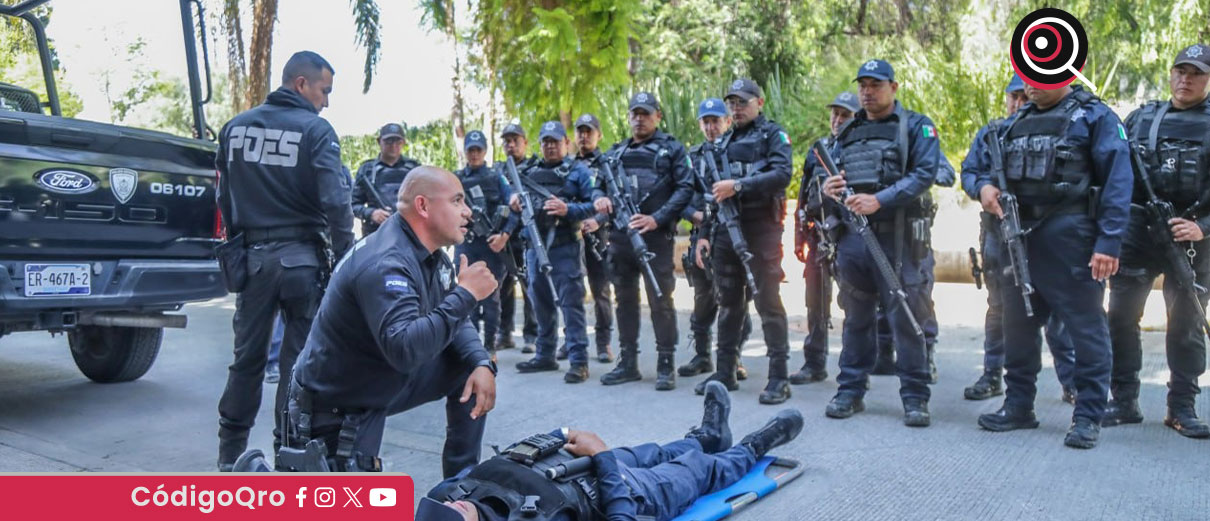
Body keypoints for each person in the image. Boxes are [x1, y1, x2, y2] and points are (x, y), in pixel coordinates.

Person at [286, 166, 498, 476]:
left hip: (377, 379)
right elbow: (405, 350)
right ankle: (261, 476)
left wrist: (480, 361)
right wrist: (465, 295)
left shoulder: (431, 255)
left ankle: (460, 487)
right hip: (338, 404)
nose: (467, 212)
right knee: (349, 499)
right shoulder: (387, 262)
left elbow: (453, 320)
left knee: (470, 368)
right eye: (457, 201)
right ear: (423, 206)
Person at [973, 75, 1133, 450]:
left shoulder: (1095, 116)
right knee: (1018, 326)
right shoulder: (1015, 121)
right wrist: (982, 187)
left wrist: (1109, 241)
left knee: (1086, 328)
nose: (1031, 86)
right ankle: (1018, 406)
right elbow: (979, 169)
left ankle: (1088, 416)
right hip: (1019, 237)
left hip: (1072, 236)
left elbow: (1118, 181)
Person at [214, 50, 355, 471]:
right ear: (301, 84)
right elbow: (336, 202)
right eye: (324, 91)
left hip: (252, 261)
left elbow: (223, 197)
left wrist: (239, 244)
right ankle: (286, 456)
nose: (326, 101)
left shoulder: (234, 128)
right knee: (296, 367)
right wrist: (345, 259)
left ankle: (229, 456)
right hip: (302, 263)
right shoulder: (316, 130)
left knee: (246, 362)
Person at [425, 382, 804, 521]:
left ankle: (707, 436)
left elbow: (499, 463)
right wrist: (602, 456)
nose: (451, 507)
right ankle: (757, 444)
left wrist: (560, 438)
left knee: (657, 451)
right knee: (698, 470)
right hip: (618, 495)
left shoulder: (443, 499)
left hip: (570, 463)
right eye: (453, 518)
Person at [821, 59, 940, 427]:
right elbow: (833, 176)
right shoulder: (848, 131)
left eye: (875, 85)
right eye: (863, 86)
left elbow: (924, 174)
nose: (867, 92)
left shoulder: (916, 127)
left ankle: (915, 397)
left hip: (898, 238)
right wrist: (828, 189)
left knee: (907, 317)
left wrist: (880, 200)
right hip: (854, 239)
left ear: (894, 87)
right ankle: (850, 390)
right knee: (855, 318)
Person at [1104, 44, 1210, 439]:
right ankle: (1124, 401)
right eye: (1180, 71)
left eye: (1196, 73)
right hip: (1139, 233)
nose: (1185, 79)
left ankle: (1181, 407)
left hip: (1190, 238)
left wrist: (1203, 227)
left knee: (1186, 323)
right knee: (1120, 317)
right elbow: (1114, 172)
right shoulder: (1141, 118)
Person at [960, 74, 1077, 402]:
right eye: (1014, 96)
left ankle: (1072, 382)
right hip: (999, 233)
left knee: (1057, 309)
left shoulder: (1059, 128)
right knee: (999, 308)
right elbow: (969, 171)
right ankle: (992, 375)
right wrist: (982, 188)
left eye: (1024, 98)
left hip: (1047, 234)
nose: (1018, 103)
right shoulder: (993, 132)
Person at [693, 78, 795, 405]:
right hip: (725, 230)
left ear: (759, 103)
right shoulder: (722, 143)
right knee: (728, 302)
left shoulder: (773, 135)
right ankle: (725, 372)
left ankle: (779, 377)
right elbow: (713, 197)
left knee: (768, 301)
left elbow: (782, 174)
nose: (737, 109)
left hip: (761, 228)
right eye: (732, 103)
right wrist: (705, 236)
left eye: (743, 102)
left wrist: (738, 186)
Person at [595, 92, 694, 390]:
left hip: (656, 239)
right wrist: (599, 198)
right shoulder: (615, 153)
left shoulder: (672, 149)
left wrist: (656, 219)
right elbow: (598, 185)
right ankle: (628, 362)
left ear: (657, 116)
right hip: (621, 238)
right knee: (624, 301)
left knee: (661, 301)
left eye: (646, 114)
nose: (639, 119)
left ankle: (666, 363)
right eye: (635, 114)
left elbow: (685, 188)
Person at [511, 121, 597, 384]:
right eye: (546, 141)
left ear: (566, 143)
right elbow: (515, 202)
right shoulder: (528, 171)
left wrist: (567, 210)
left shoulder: (578, 171)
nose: (550, 146)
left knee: (571, 305)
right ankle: (545, 354)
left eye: (555, 141)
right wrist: (512, 202)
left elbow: (594, 205)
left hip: (564, 247)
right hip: (534, 247)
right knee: (540, 303)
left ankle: (579, 361)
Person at [680, 98, 752, 383]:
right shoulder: (693, 156)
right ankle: (702, 355)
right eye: (706, 122)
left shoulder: (737, 151)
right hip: (702, 234)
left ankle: (734, 357)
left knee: (735, 298)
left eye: (716, 121)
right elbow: (682, 193)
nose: (711, 127)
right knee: (703, 297)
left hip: (732, 233)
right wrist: (695, 215)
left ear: (727, 122)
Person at [791, 91, 857, 385]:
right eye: (835, 114)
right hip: (818, 236)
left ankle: (853, 368)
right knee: (815, 302)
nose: (837, 120)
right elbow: (803, 195)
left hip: (848, 236)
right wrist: (799, 234)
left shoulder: (859, 150)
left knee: (853, 304)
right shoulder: (818, 150)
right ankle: (814, 363)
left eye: (845, 115)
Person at [455, 130, 516, 359]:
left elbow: (514, 208)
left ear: (485, 151)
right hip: (467, 245)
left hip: (492, 246)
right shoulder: (456, 179)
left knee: (491, 299)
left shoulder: (496, 178)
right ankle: (473, 347)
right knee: (467, 297)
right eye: (470, 150)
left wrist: (504, 236)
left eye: (478, 150)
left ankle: (489, 346)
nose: (474, 154)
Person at [571, 113, 616, 364]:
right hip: (571, 235)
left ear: (599, 135)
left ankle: (603, 343)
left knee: (601, 292)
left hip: (599, 235)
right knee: (571, 292)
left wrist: (597, 221)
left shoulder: (608, 163)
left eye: (589, 131)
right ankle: (572, 340)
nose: (584, 136)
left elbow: (615, 198)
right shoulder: (568, 164)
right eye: (580, 131)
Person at [496, 124, 540, 353]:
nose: (511, 145)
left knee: (529, 285)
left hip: (527, 233)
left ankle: (532, 336)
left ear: (525, 142)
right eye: (507, 141)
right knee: (503, 287)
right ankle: (505, 333)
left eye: (515, 140)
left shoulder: (535, 167)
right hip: (504, 234)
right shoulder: (497, 170)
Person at [351, 122, 421, 236]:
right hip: (377, 234)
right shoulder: (367, 170)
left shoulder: (414, 168)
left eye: (398, 141)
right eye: (389, 141)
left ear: (404, 142)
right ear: (379, 141)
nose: (393, 145)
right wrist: (371, 213)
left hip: (409, 232)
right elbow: (352, 205)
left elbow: (426, 200)